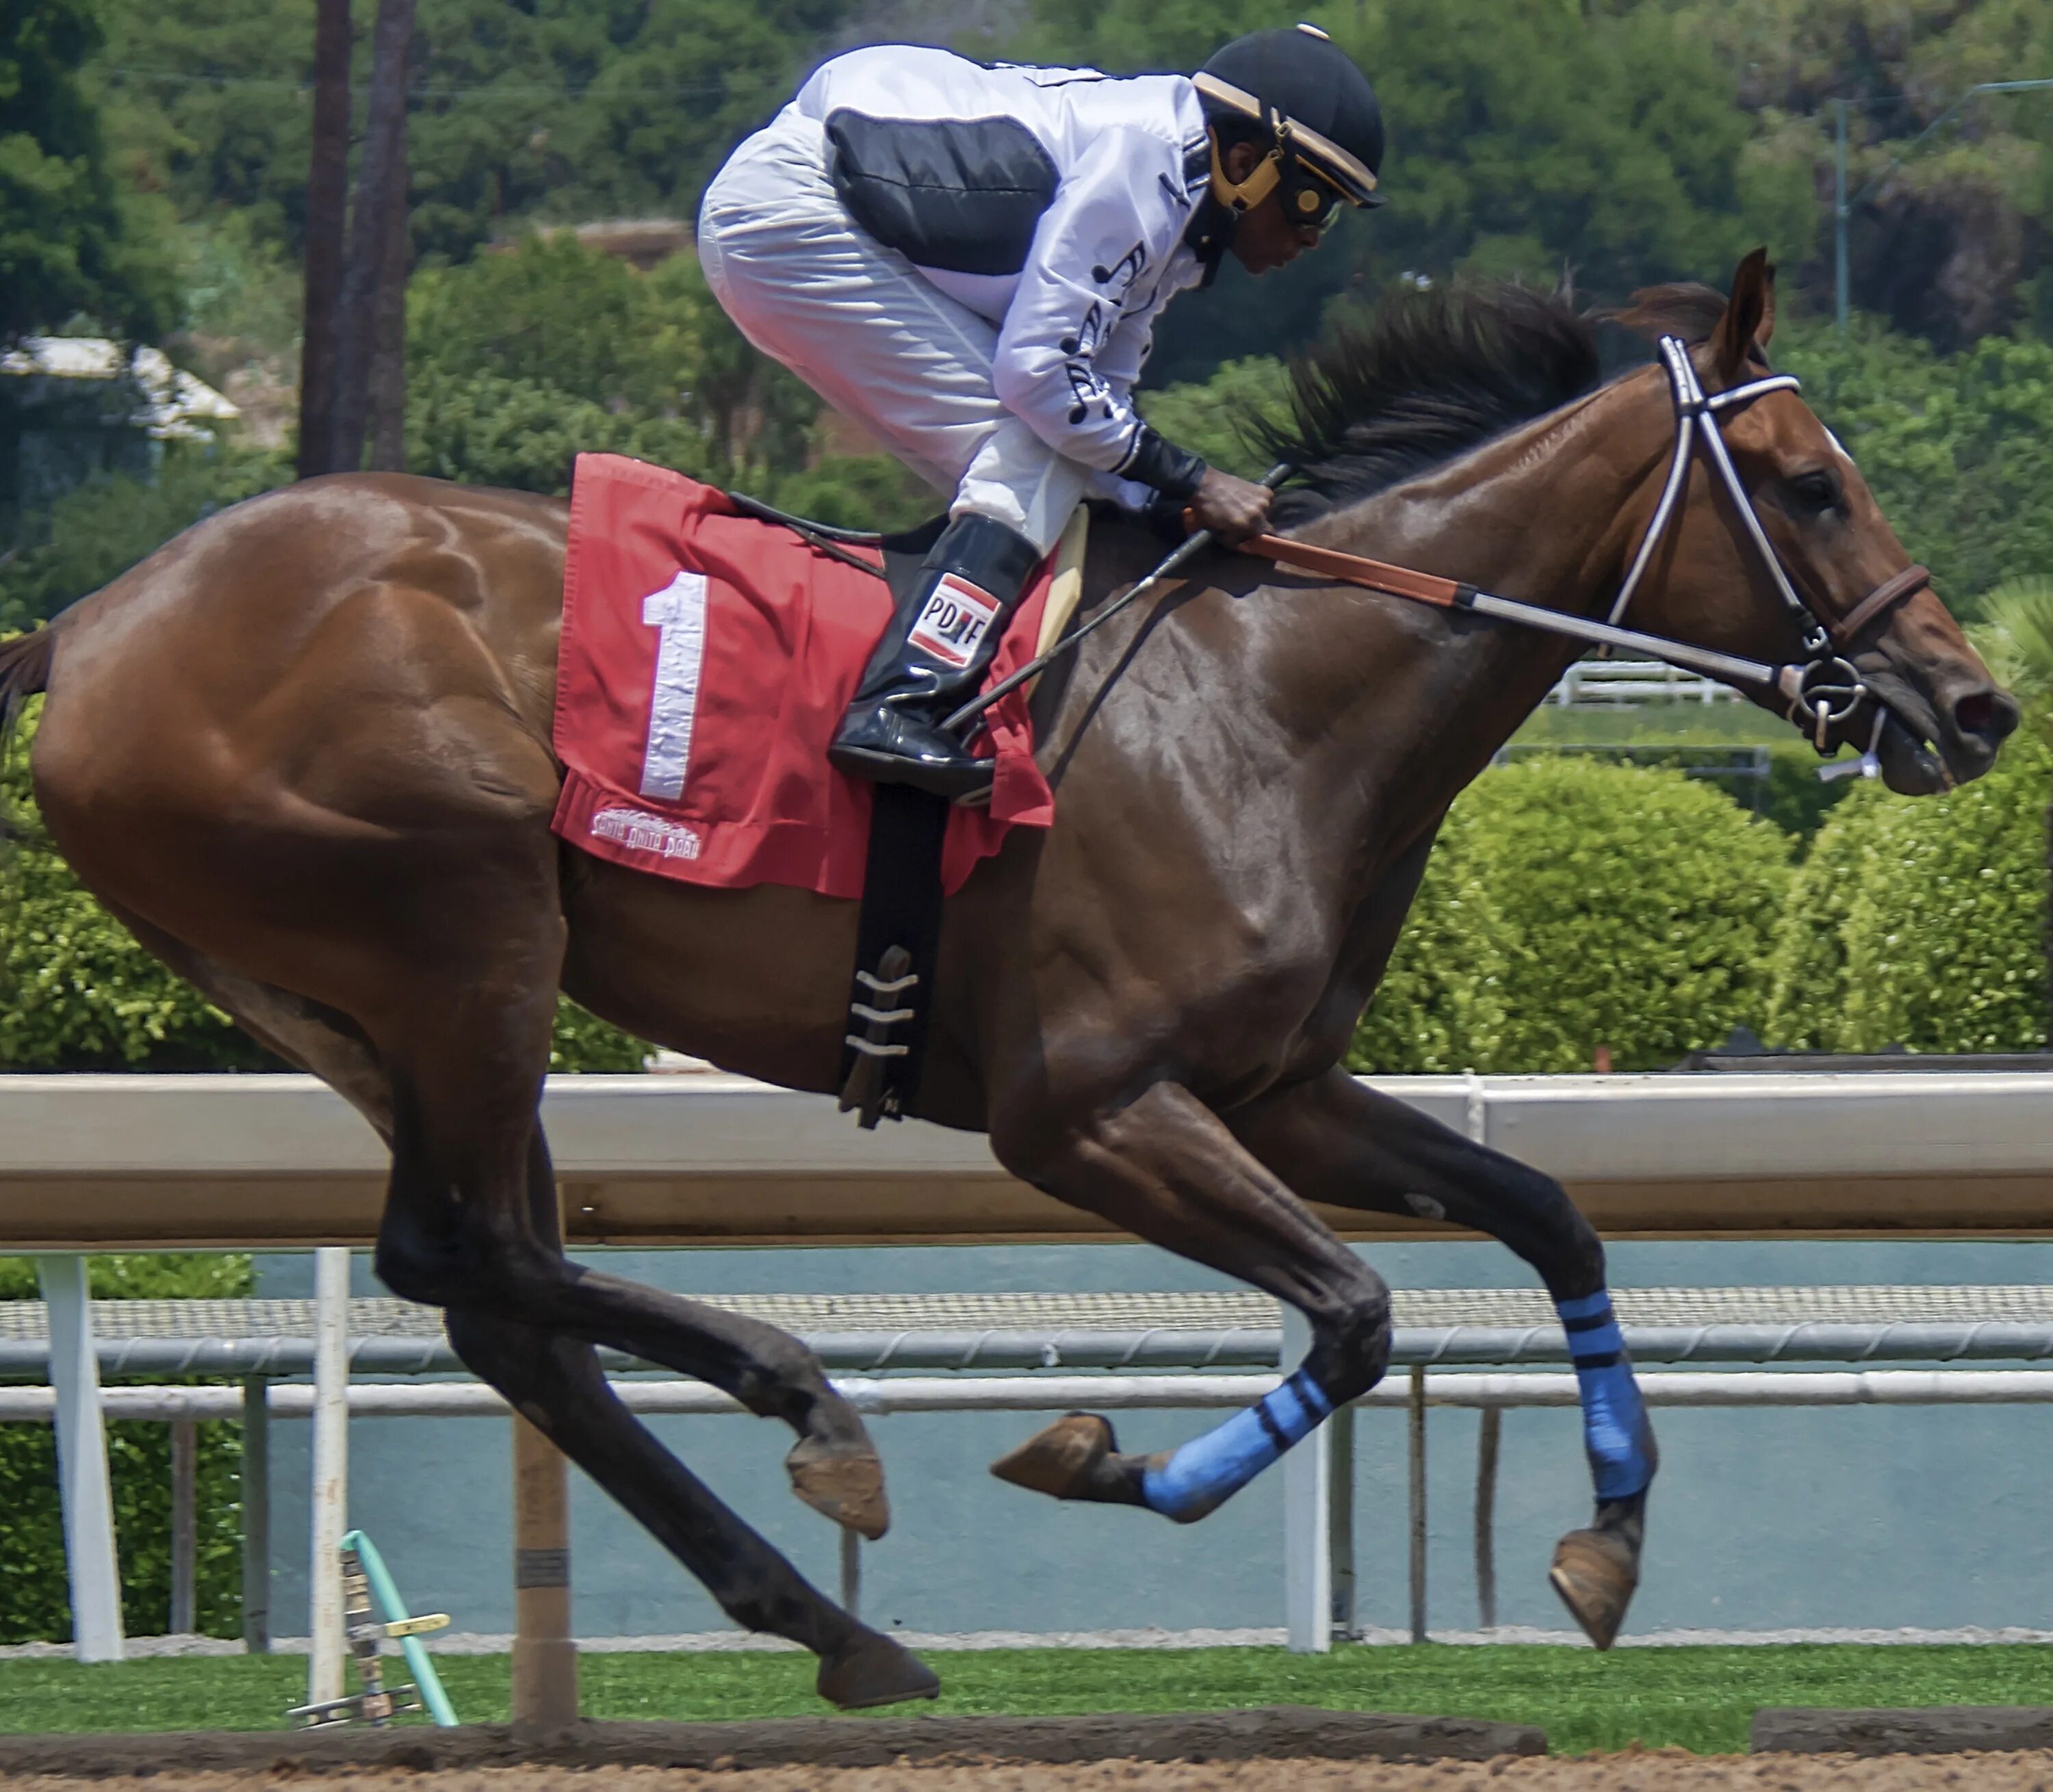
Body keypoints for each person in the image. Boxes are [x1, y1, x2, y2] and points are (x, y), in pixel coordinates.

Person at [699, 25, 1385, 798]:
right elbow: (1042, 383)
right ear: (1245, 162)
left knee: (1070, 457)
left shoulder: (1181, 213)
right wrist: (1195, 479)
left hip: (821, 205)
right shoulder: (1147, 166)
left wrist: (1167, 498)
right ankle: (903, 699)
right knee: (1033, 448)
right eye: (1314, 203)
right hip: (793, 216)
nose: (1311, 237)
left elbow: (1103, 399)